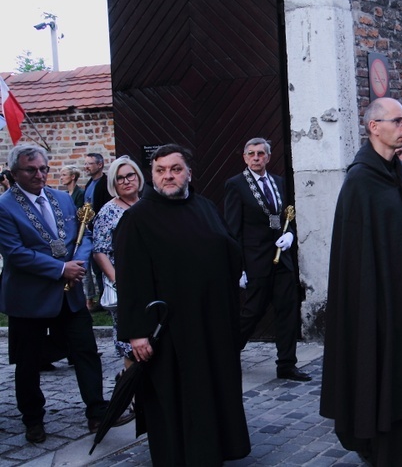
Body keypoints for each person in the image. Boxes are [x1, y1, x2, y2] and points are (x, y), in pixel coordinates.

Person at [320, 97, 402, 466]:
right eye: (399, 121)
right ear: (374, 127)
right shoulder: (360, 181)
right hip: (379, 307)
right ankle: (383, 448)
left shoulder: (398, 172)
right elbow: (357, 260)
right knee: (383, 372)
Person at [114, 144, 250, 466]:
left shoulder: (204, 206)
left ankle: (217, 447)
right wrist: (137, 333)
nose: (168, 176)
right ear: (152, 175)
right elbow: (130, 280)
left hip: (212, 323)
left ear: (188, 171)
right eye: (161, 171)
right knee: (180, 396)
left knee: (215, 389)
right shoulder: (137, 219)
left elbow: (226, 246)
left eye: (175, 169)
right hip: (171, 330)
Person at [0, 145, 115, 443]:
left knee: (86, 352)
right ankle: (33, 419)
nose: (40, 175)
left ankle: (97, 413)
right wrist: (60, 269)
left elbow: (84, 234)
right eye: (31, 170)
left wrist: (78, 263)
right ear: (14, 173)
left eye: (44, 169)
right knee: (28, 362)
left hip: (71, 294)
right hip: (30, 296)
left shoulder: (61, 197)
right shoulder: (4, 206)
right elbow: (15, 253)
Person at [224, 138, 310, 381]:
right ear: (244, 157)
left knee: (287, 311)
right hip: (255, 262)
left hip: (282, 260)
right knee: (251, 313)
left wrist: (290, 235)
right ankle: (226, 354)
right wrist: (239, 268)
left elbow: (287, 216)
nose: (256, 157)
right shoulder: (236, 185)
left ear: (268, 157)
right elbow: (233, 230)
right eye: (251, 153)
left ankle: (286, 365)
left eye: (261, 153)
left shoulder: (279, 182)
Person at [93, 156, 143, 401]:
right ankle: (130, 398)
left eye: (130, 175)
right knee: (130, 341)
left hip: (149, 281)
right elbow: (99, 250)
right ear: (113, 182)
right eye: (120, 178)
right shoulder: (109, 210)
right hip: (123, 283)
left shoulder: (146, 204)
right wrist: (118, 280)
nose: (126, 181)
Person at [83, 153, 113, 311]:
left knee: (105, 266)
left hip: (103, 232)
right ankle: (102, 299)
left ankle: (109, 299)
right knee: (96, 267)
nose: (86, 166)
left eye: (90, 163)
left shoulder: (105, 183)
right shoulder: (90, 183)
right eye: (86, 163)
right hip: (92, 232)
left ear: (100, 165)